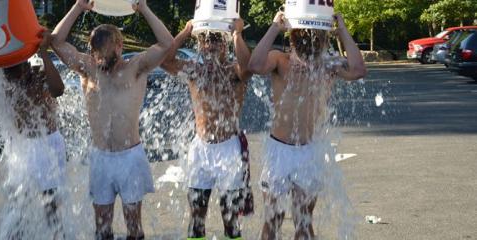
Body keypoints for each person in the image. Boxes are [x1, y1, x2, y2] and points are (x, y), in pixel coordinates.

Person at [50, 0, 172, 239]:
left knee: (134, 228)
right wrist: (77, 6)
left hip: (130, 156)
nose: (99, 55)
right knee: (102, 228)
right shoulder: (88, 68)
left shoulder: (136, 67)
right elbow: (56, 41)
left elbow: (167, 43)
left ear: (119, 46)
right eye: (95, 49)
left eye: (103, 48)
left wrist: (144, 8)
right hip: (101, 158)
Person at [247, 12, 366, 240]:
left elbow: (358, 70)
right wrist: (274, 27)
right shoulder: (281, 60)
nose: (308, 40)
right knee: (273, 220)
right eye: (302, 35)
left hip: (309, 150)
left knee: (304, 220)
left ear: (323, 38)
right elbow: (254, 64)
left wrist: (341, 29)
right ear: (292, 36)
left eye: (314, 36)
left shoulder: (329, 65)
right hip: (279, 150)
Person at [0, 30, 66, 237]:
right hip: (22, 146)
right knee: (19, 202)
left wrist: (43, 52)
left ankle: (57, 235)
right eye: (7, 70)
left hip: (48, 143)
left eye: (16, 68)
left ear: (26, 64)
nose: (12, 74)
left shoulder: (39, 76)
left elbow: (58, 89)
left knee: (51, 204)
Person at [160, 19, 254, 240]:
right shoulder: (195, 70)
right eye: (206, 42)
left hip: (229, 149)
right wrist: (186, 31)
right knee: (196, 219)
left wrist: (236, 35)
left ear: (225, 46)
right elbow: (165, 60)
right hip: (200, 149)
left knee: (230, 220)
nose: (210, 47)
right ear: (200, 46)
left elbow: (248, 67)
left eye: (216, 42)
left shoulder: (234, 71)